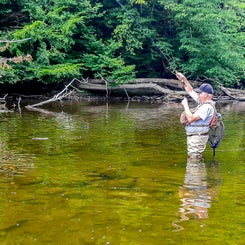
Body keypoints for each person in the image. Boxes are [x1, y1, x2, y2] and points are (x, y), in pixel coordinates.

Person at [176, 72, 215, 160]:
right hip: (195, 136)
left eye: (200, 93)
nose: (197, 94)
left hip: (198, 137)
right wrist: (184, 79)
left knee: (194, 160)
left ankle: (197, 174)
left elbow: (190, 118)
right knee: (193, 160)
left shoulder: (207, 107)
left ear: (206, 95)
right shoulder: (202, 102)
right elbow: (190, 91)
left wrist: (185, 105)